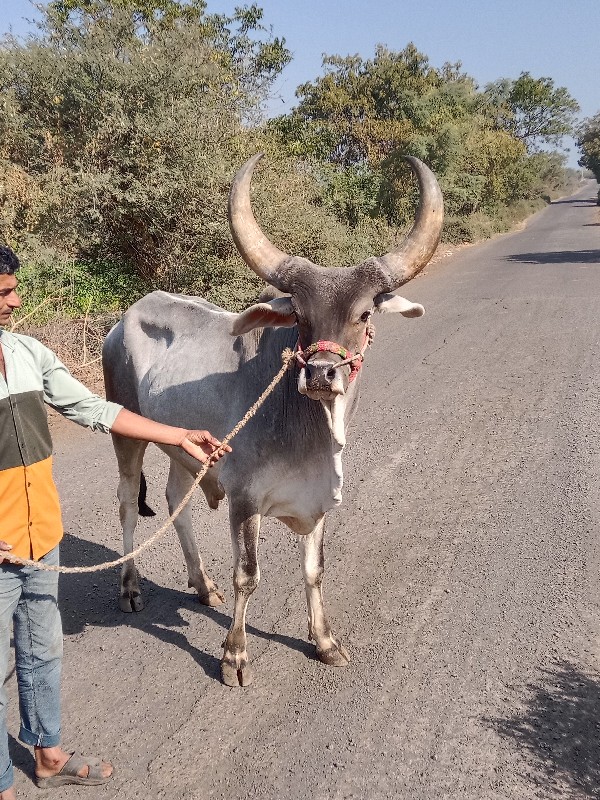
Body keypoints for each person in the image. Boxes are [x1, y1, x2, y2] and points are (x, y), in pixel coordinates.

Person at [0, 245, 231, 799]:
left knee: (42, 647)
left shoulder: (28, 353)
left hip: (40, 536)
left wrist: (177, 435)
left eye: (12, 289)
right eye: (3, 293)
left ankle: (49, 754)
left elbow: (93, 410)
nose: (14, 301)